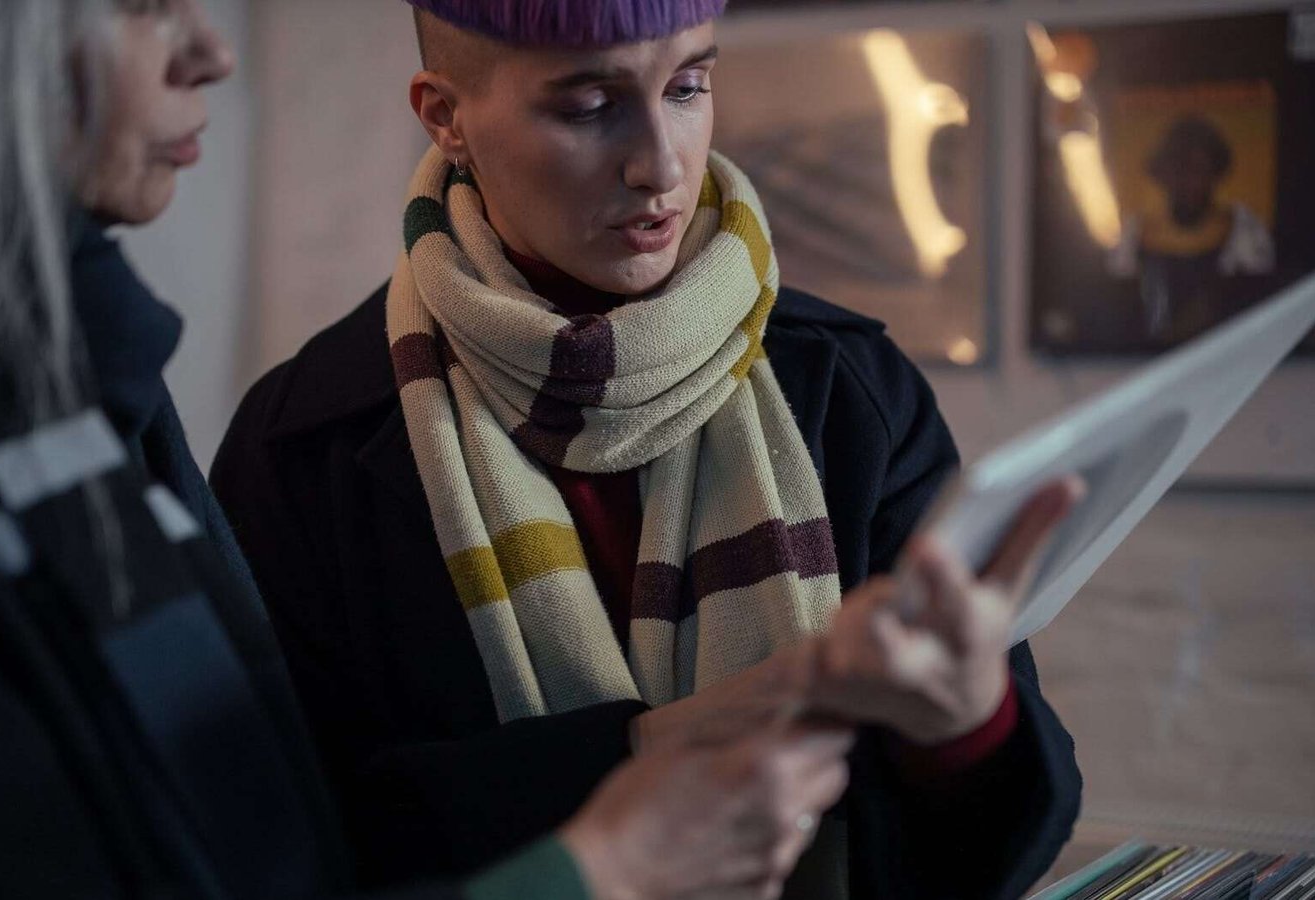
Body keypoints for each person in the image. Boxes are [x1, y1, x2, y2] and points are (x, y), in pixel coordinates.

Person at [0, 1, 854, 897]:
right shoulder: (284, 436)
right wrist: (600, 863)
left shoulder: (92, 398)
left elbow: (247, 830)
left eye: (688, 86)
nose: (211, 52)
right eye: (137, 1)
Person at [212, 2, 1085, 898]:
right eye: (589, 107)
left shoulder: (850, 391)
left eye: (688, 87)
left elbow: (994, 846)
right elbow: (278, 840)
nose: (660, 164)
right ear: (446, 116)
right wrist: (644, 755)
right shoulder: (303, 447)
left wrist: (969, 722)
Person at [1107, 115, 1276, 341]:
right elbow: (1119, 304)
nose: (1187, 182)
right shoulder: (1135, 232)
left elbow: (1257, 302)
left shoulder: (1241, 228)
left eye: (1197, 170)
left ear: (1215, 173)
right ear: (1162, 176)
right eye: (1177, 170)